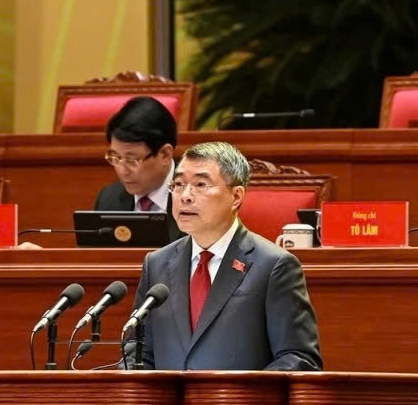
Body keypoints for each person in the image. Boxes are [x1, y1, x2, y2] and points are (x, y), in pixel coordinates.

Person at [127, 141, 322, 371]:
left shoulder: (274, 266)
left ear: (236, 196)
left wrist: (237, 398)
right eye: (178, 184)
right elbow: (137, 350)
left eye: (200, 184)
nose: (185, 196)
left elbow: (299, 358)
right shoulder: (157, 264)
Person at [93, 95, 184, 244]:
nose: (122, 171)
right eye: (115, 157)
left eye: (132, 160)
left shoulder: (198, 199)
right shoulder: (108, 199)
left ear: (165, 154)